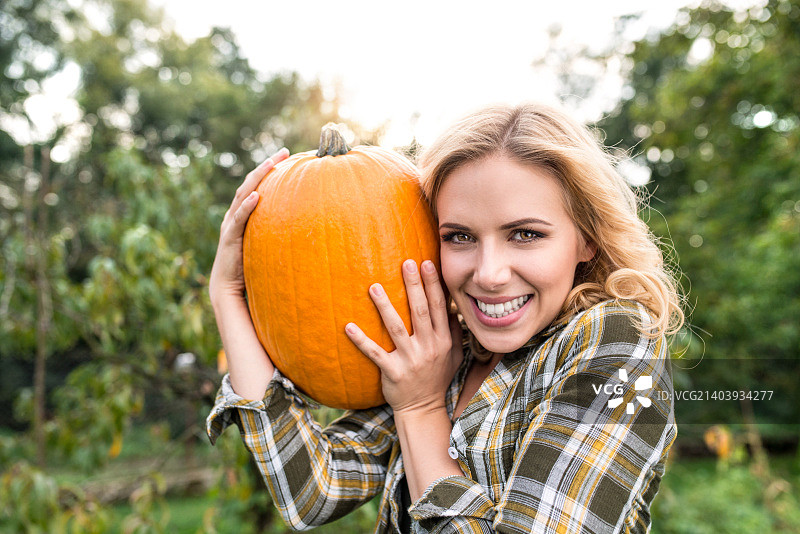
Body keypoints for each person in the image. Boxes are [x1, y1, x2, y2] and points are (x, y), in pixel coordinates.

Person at [206, 102, 685, 533]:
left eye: (524, 234)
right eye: (460, 236)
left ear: (587, 238)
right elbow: (309, 494)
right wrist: (228, 293)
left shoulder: (617, 341)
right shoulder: (447, 350)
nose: (489, 273)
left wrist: (420, 410)